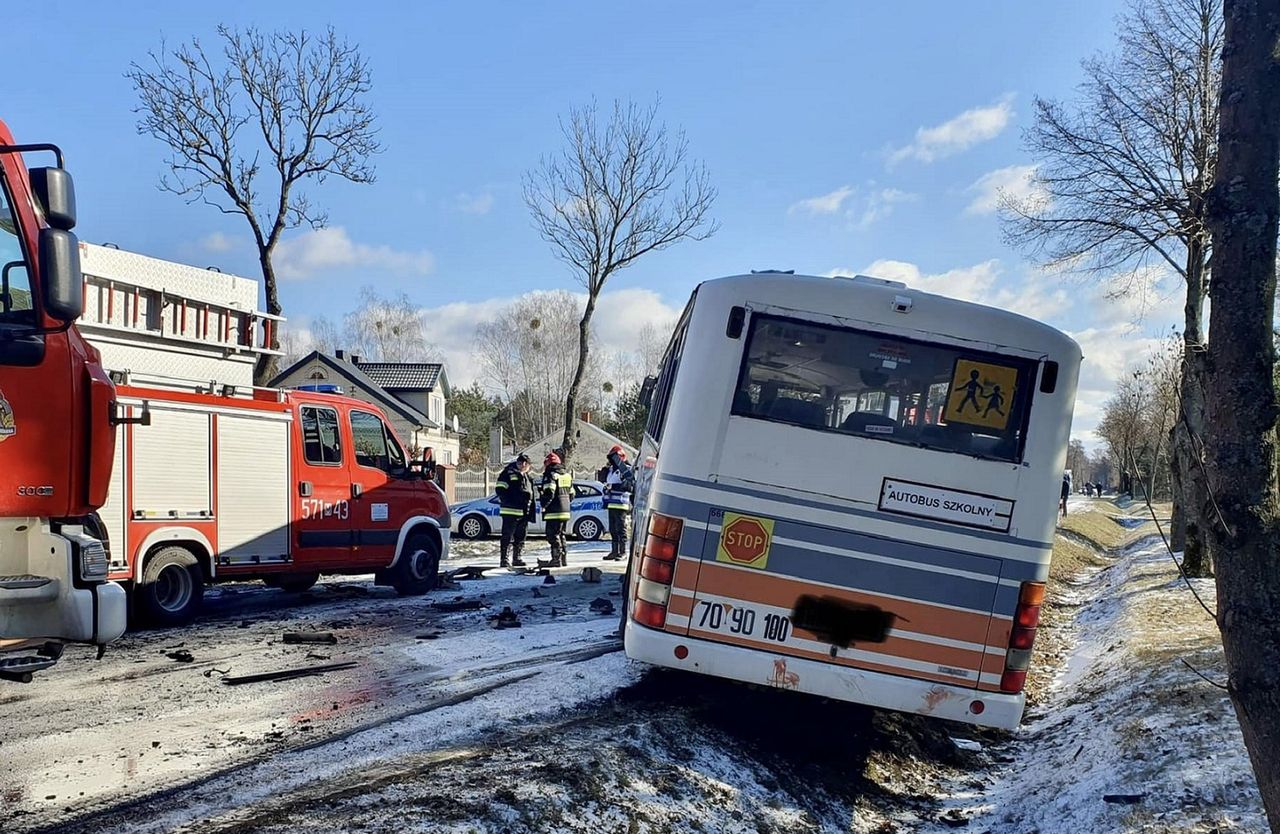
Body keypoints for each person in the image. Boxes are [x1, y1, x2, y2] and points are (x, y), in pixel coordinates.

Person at [495, 453, 536, 568]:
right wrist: (511, 500)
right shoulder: (508, 473)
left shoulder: (528, 477)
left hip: (524, 512)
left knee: (521, 536)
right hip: (510, 511)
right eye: (520, 462)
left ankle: (517, 558)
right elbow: (500, 489)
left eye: (525, 463)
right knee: (507, 536)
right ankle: (504, 559)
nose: (523, 465)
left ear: (529, 465)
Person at [538, 452, 573, 568]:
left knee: (552, 535)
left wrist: (544, 503)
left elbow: (549, 493)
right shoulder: (567, 475)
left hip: (554, 511)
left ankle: (556, 559)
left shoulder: (550, 475)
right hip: (566, 510)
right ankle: (563, 559)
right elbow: (572, 494)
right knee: (561, 534)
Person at [602, 445, 634, 561]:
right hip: (611, 503)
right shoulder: (611, 470)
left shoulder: (626, 469)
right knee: (613, 529)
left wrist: (613, 486)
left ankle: (622, 552)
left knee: (621, 529)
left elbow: (629, 485)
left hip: (621, 503)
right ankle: (614, 551)